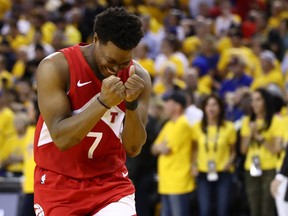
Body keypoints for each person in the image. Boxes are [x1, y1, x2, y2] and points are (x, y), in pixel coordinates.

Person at [33, 7, 151, 216]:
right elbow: (62, 139)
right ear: (95, 39)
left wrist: (131, 105)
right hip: (58, 182)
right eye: (111, 61)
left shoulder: (137, 76)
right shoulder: (56, 67)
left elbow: (133, 148)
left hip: (110, 183)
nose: (116, 69)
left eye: (123, 63)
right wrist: (103, 102)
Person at [191, 93, 236, 216]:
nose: (211, 108)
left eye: (214, 105)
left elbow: (233, 151)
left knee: (223, 210)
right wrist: (193, 166)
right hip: (203, 173)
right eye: (208, 105)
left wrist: (230, 161)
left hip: (224, 173)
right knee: (205, 210)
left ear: (220, 108)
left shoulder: (229, 127)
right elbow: (194, 150)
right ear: (204, 108)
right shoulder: (197, 127)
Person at [151, 90, 195, 216]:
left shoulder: (183, 124)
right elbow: (154, 148)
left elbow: (166, 149)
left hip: (179, 182)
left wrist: (160, 147)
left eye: (168, 102)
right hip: (167, 181)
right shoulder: (169, 124)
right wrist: (160, 147)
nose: (165, 105)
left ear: (178, 106)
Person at [240, 88, 282, 216]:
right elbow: (243, 149)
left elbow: (276, 149)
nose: (255, 104)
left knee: (267, 208)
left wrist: (259, 136)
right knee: (254, 208)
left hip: (269, 168)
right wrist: (250, 135)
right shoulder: (247, 121)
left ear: (266, 101)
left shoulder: (276, 121)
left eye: (258, 100)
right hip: (251, 168)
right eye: (253, 100)